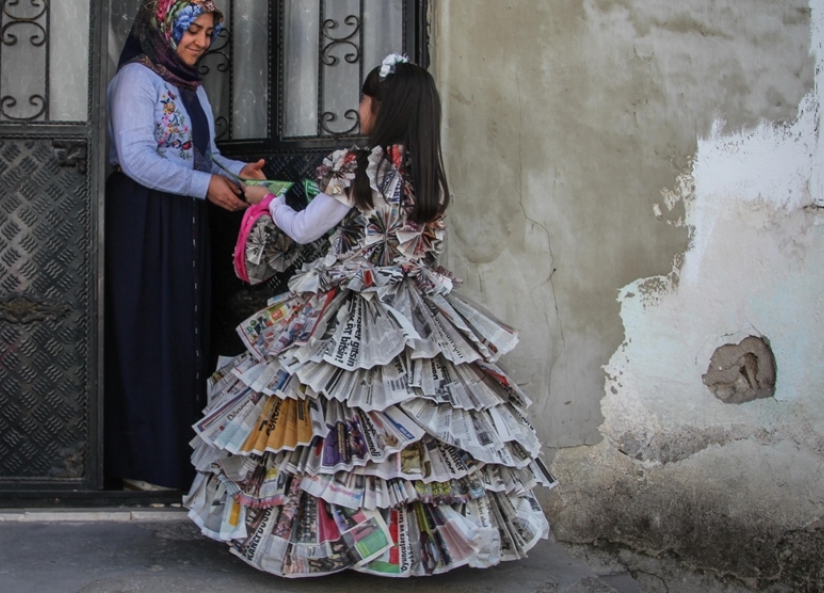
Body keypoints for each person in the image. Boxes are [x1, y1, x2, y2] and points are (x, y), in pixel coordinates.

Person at [184, 56, 556, 577]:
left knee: (334, 414)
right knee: (411, 415)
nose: (358, 109)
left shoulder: (356, 167)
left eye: (363, 100)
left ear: (379, 108)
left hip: (352, 303)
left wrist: (265, 204)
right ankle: (407, 544)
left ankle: (337, 538)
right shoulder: (426, 174)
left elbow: (305, 229)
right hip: (419, 312)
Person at [104, 0, 265, 492]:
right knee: (148, 332)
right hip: (145, 220)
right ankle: (142, 464)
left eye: (208, 33)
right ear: (162, 26)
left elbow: (204, 154)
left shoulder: (188, 85)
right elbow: (136, 159)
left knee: (182, 334)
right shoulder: (136, 80)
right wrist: (205, 185)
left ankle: (177, 462)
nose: (201, 42)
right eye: (191, 30)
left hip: (183, 219)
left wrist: (243, 172)